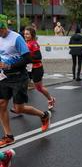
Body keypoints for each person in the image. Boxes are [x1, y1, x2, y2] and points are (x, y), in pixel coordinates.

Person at [0, 14, 51, 148]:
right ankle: (8, 136)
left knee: (19, 108)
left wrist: (9, 65)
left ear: (5, 26)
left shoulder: (16, 38)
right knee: (1, 104)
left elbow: (28, 59)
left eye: (1, 29)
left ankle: (43, 115)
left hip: (18, 76)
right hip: (4, 76)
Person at [24, 26, 56, 109]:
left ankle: (50, 99)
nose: (25, 35)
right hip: (28, 68)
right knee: (22, 84)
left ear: (32, 35)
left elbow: (38, 57)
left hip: (37, 68)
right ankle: (20, 105)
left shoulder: (33, 43)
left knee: (39, 88)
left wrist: (28, 59)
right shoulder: (26, 43)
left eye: (27, 34)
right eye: (25, 34)